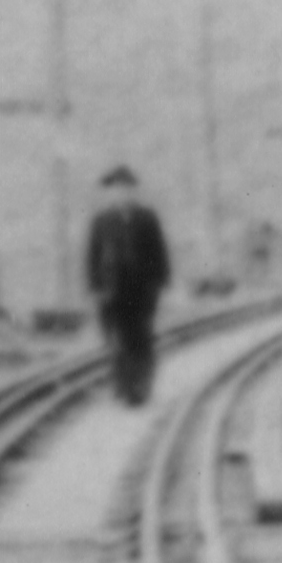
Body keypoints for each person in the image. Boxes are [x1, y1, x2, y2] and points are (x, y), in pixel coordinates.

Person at [83, 165, 173, 406]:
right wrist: (95, 287)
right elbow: (92, 255)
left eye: (126, 189)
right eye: (117, 190)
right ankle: (123, 387)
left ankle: (141, 386)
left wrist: (161, 282)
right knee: (117, 342)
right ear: (111, 193)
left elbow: (159, 251)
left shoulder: (147, 218)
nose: (122, 194)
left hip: (142, 292)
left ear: (134, 191)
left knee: (142, 338)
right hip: (112, 292)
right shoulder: (101, 221)